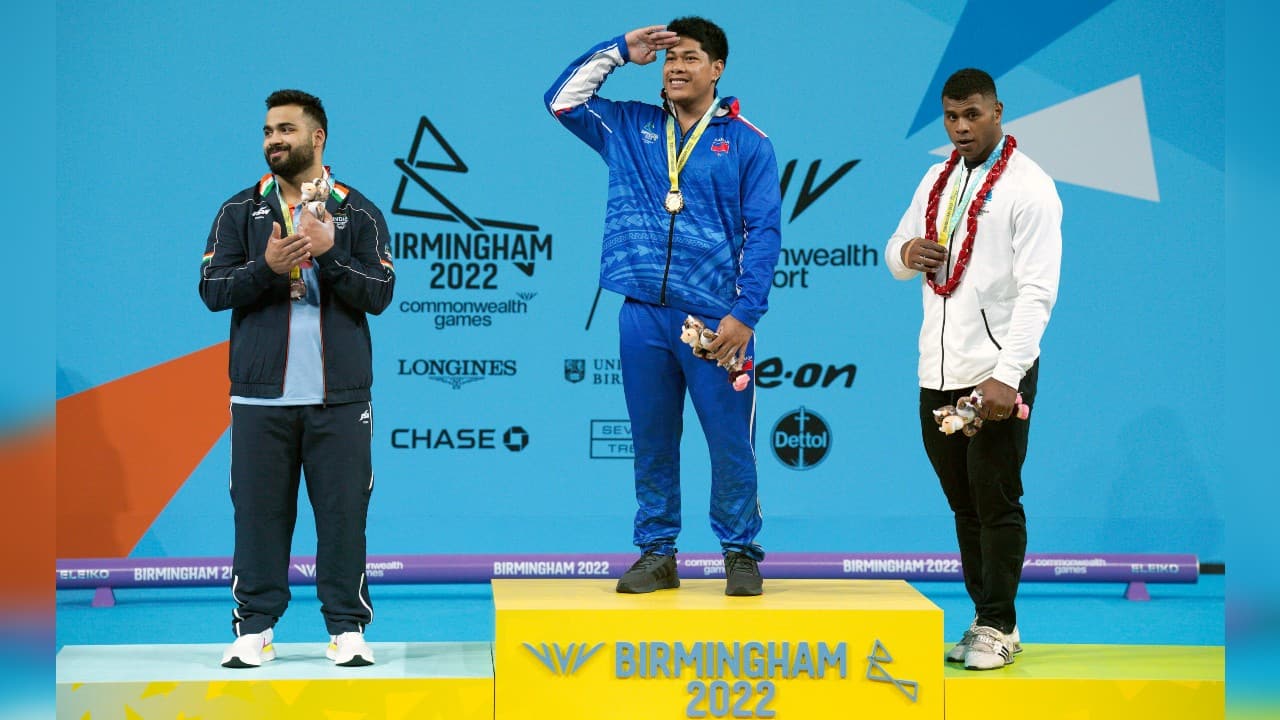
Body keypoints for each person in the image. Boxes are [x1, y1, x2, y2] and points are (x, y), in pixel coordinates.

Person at [545, 18, 782, 596]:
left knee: (730, 441)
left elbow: (766, 231)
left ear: (717, 69)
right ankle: (657, 552)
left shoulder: (748, 142)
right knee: (652, 437)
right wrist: (619, 52)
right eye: (671, 58)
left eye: (691, 57)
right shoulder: (628, 125)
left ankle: (740, 552)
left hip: (715, 321)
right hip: (641, 315)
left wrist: (745, 314)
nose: (676, 67)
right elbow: (561, 100)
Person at [199, 89, 395, 667]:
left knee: (342, 515)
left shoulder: (357, 212)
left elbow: (380, 294)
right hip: (260, 397)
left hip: (339, 398)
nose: (273, 141)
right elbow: (213, 290)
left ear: (318, 138)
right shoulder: (240, 211)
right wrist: (268, 268)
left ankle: (347, 629)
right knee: (258, 514)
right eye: (267, 131)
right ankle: (254, 627)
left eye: (286, 129)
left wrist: (331, 255)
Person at [886, 68, 1061, 669]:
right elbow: (896, 252)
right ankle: (981, 617)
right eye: (952, 116)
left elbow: (1038, 292)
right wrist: (908, 253)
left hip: (995, 374)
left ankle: (999, 623)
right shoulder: (935, 178)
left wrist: (1007, 377)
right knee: (963, 503)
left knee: (997, 498)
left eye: (973, 115)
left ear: (998, 111)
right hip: (936, 373)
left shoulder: (1030, 189)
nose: (961, 127)